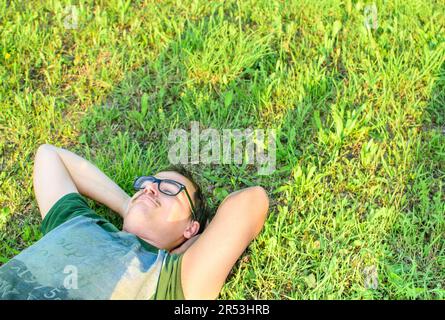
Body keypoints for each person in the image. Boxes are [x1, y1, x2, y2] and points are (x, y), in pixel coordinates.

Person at [0, 144, 269, 300]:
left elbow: (251, 201)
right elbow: (50, 155)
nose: (150, 188)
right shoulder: (78, 221)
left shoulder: (172, 278)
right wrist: (127, 204)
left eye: (169, 188)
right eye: (148, 184)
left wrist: (197, 243)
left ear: (190, 228)